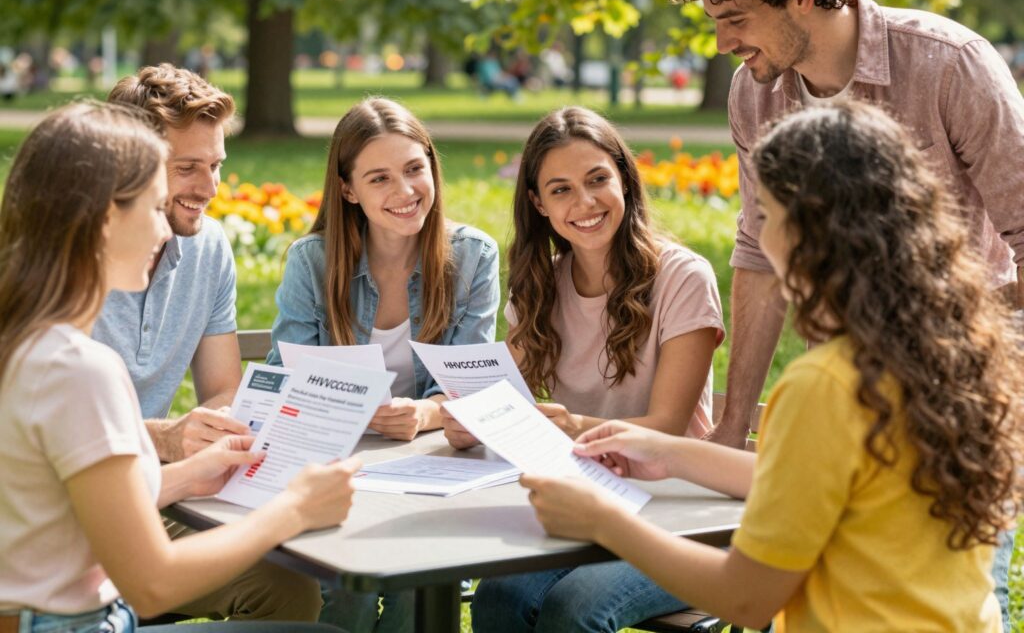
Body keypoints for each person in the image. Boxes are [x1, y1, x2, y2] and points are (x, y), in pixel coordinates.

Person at [520, 102, 1024, 631]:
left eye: (768, 215)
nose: (761, 237)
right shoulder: (956, 355)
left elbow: (746, 599)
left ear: (810, 233)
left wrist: (603, 521)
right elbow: (811, 478)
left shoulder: (824, 383)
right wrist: (665, 451)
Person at [668, 0, 1024, 622]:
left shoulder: (948, 64)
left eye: (735, 19)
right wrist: (734, 427)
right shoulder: (754, 94)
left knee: (940, 592)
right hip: (843, 389)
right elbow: (757, 255)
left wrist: (973, 369)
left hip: (955, 389)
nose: (724, 42)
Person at [0, 101, 361, 633]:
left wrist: (190, 475)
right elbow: (153, 583)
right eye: (151, 208)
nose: (165, 232)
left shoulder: (28, 339)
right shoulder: (80, 369)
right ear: (103, 222)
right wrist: (296, 511)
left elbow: (63, 501)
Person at [444, 107, 724, 633]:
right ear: (538, 203)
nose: (585, 203)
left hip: (675, 512)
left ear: (624, 179)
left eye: (598, 180)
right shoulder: (541, 284)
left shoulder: (683, 277)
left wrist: (575, 427)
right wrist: (471, 421)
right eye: (561, 190)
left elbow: (666, 427)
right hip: (582, 501)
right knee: (497, 600)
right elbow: (505, 399)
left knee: (572, 610)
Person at [266, 96, 500, 632]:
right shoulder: (314, 262)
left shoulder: (472, 258)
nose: (405, 191)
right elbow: (281, 385)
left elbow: (473, 387)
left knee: (415, 588)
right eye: (379, 179)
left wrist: (423, 414)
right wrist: (351, 411)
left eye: (415, 169)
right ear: (348, 190)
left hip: (429, 471)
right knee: (342, 588)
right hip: (337, 465)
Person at [98, 63, 323, 622]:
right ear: (130, 169)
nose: (210, 188)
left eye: (217, 164)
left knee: (289, 588)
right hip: (68, 522)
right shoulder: (59, 269)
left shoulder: (207, 247)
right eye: (188, 168)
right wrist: (167, 441)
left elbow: (223, 390)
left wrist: (206, 436)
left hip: (149, 493)